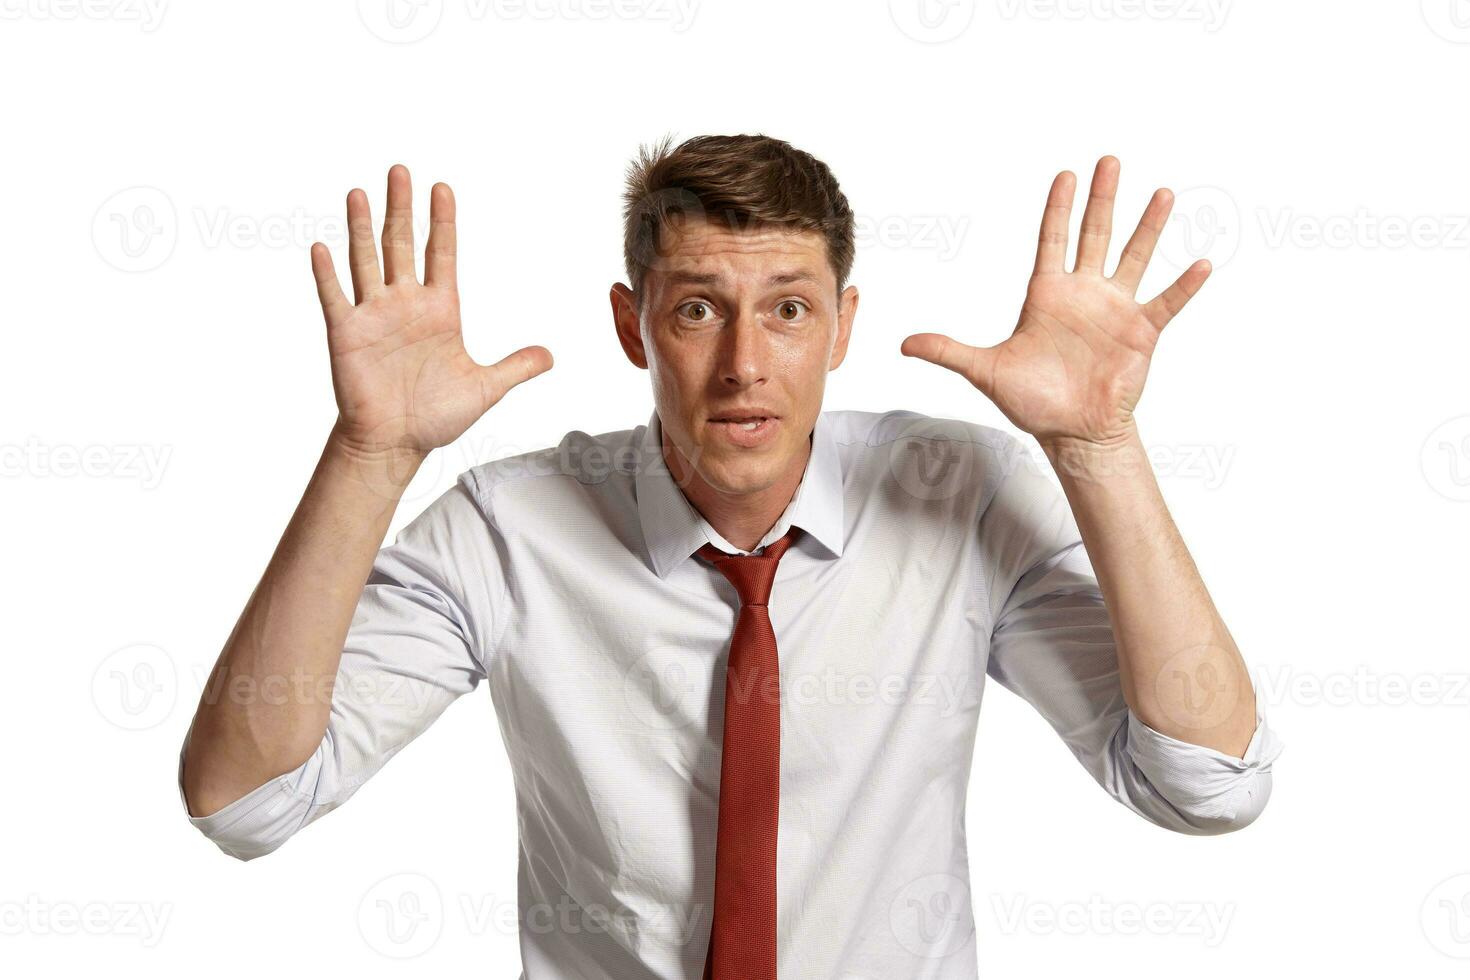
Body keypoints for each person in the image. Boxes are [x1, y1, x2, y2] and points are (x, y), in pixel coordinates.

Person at [176, 134, 1282, 979]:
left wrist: (1099, 447)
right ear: (632, 325)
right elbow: (242, 799)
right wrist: (371, 452)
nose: (746, 363)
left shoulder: (956, 497)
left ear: (844, 325)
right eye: (699, 308)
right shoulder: (507, 530)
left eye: (789, 309)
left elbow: (1206, 782)